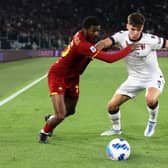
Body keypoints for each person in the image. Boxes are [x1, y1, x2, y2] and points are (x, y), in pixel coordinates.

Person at [38, 16, 140, 144]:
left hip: (73, 77)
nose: (96, 34)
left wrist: (92, 54)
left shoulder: (82, 36)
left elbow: (82, 63)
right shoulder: (83, 44)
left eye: (98, 31)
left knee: (70, 111)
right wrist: (128, 49)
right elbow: (109, 59)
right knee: (60, 114)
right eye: (93, 31)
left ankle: (50, 119)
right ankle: (44, 132)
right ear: (85, 30)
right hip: (58, 76)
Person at [96, 12, 168, 137]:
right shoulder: (121, 36)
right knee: (112, 106)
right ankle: (116, 129)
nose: (135, 33)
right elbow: (104, 43)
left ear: (142, 28)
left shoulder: (150, 40)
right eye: (133, 29)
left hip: (153, 77)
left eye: (138, 30)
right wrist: (93, 49)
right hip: (134, 79)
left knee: (150, 99)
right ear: (127, 26)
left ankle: (152, 121)